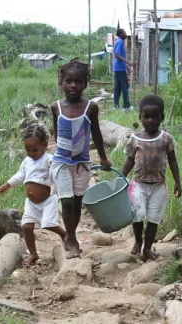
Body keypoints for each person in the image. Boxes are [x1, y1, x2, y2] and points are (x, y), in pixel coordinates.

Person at [51, 59, 112, 259]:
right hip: (61, 162)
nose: (73, 85)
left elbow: (96, 134)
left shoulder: (90, 108)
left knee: (77, 202)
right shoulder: (56, 107)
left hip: (82, 164)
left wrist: (103, 157)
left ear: (86, 84)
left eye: (78, 81)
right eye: (69, 81)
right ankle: (74, 241)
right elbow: (56, 133)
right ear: (61, 81)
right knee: (66, 201)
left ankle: (70, 234)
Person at [122, 94, 182, 261]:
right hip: (139, 184)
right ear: (140, 117)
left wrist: (178, 181)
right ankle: (138, 240)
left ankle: (147, 248)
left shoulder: (166, 139)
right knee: (138, 213)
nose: (150, 120)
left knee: (154, 219)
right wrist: (120, 178)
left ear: (162, 117)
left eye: (155, 117)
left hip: (158, 185)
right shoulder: (135, 138)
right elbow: (129, 160)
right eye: (146, 117)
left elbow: (172, 160)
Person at [0, 124, 67, 266]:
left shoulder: (50, 160)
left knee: (48, 224)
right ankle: (33, 254)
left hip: (48, 200)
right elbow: (20, 175)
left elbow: (59, 174)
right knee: (27, 227)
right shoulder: (27, 162)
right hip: (31, 203)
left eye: (35, 149)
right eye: (27, 150)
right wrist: (7, 185)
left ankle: (64, 234)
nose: (31, 153)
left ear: (45, 145)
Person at [113, 28, 135, 111]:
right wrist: (128, 63)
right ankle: (127, 106)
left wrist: (126, 67)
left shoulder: (118, 42)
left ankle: (115, 106)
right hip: (120, 69)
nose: (126, 34)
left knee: (117, 88)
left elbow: (119, 56)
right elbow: (117, 55)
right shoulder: (120, 42)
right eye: (124, 32)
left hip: (119, 68)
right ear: (121, 34)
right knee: (124, 87)